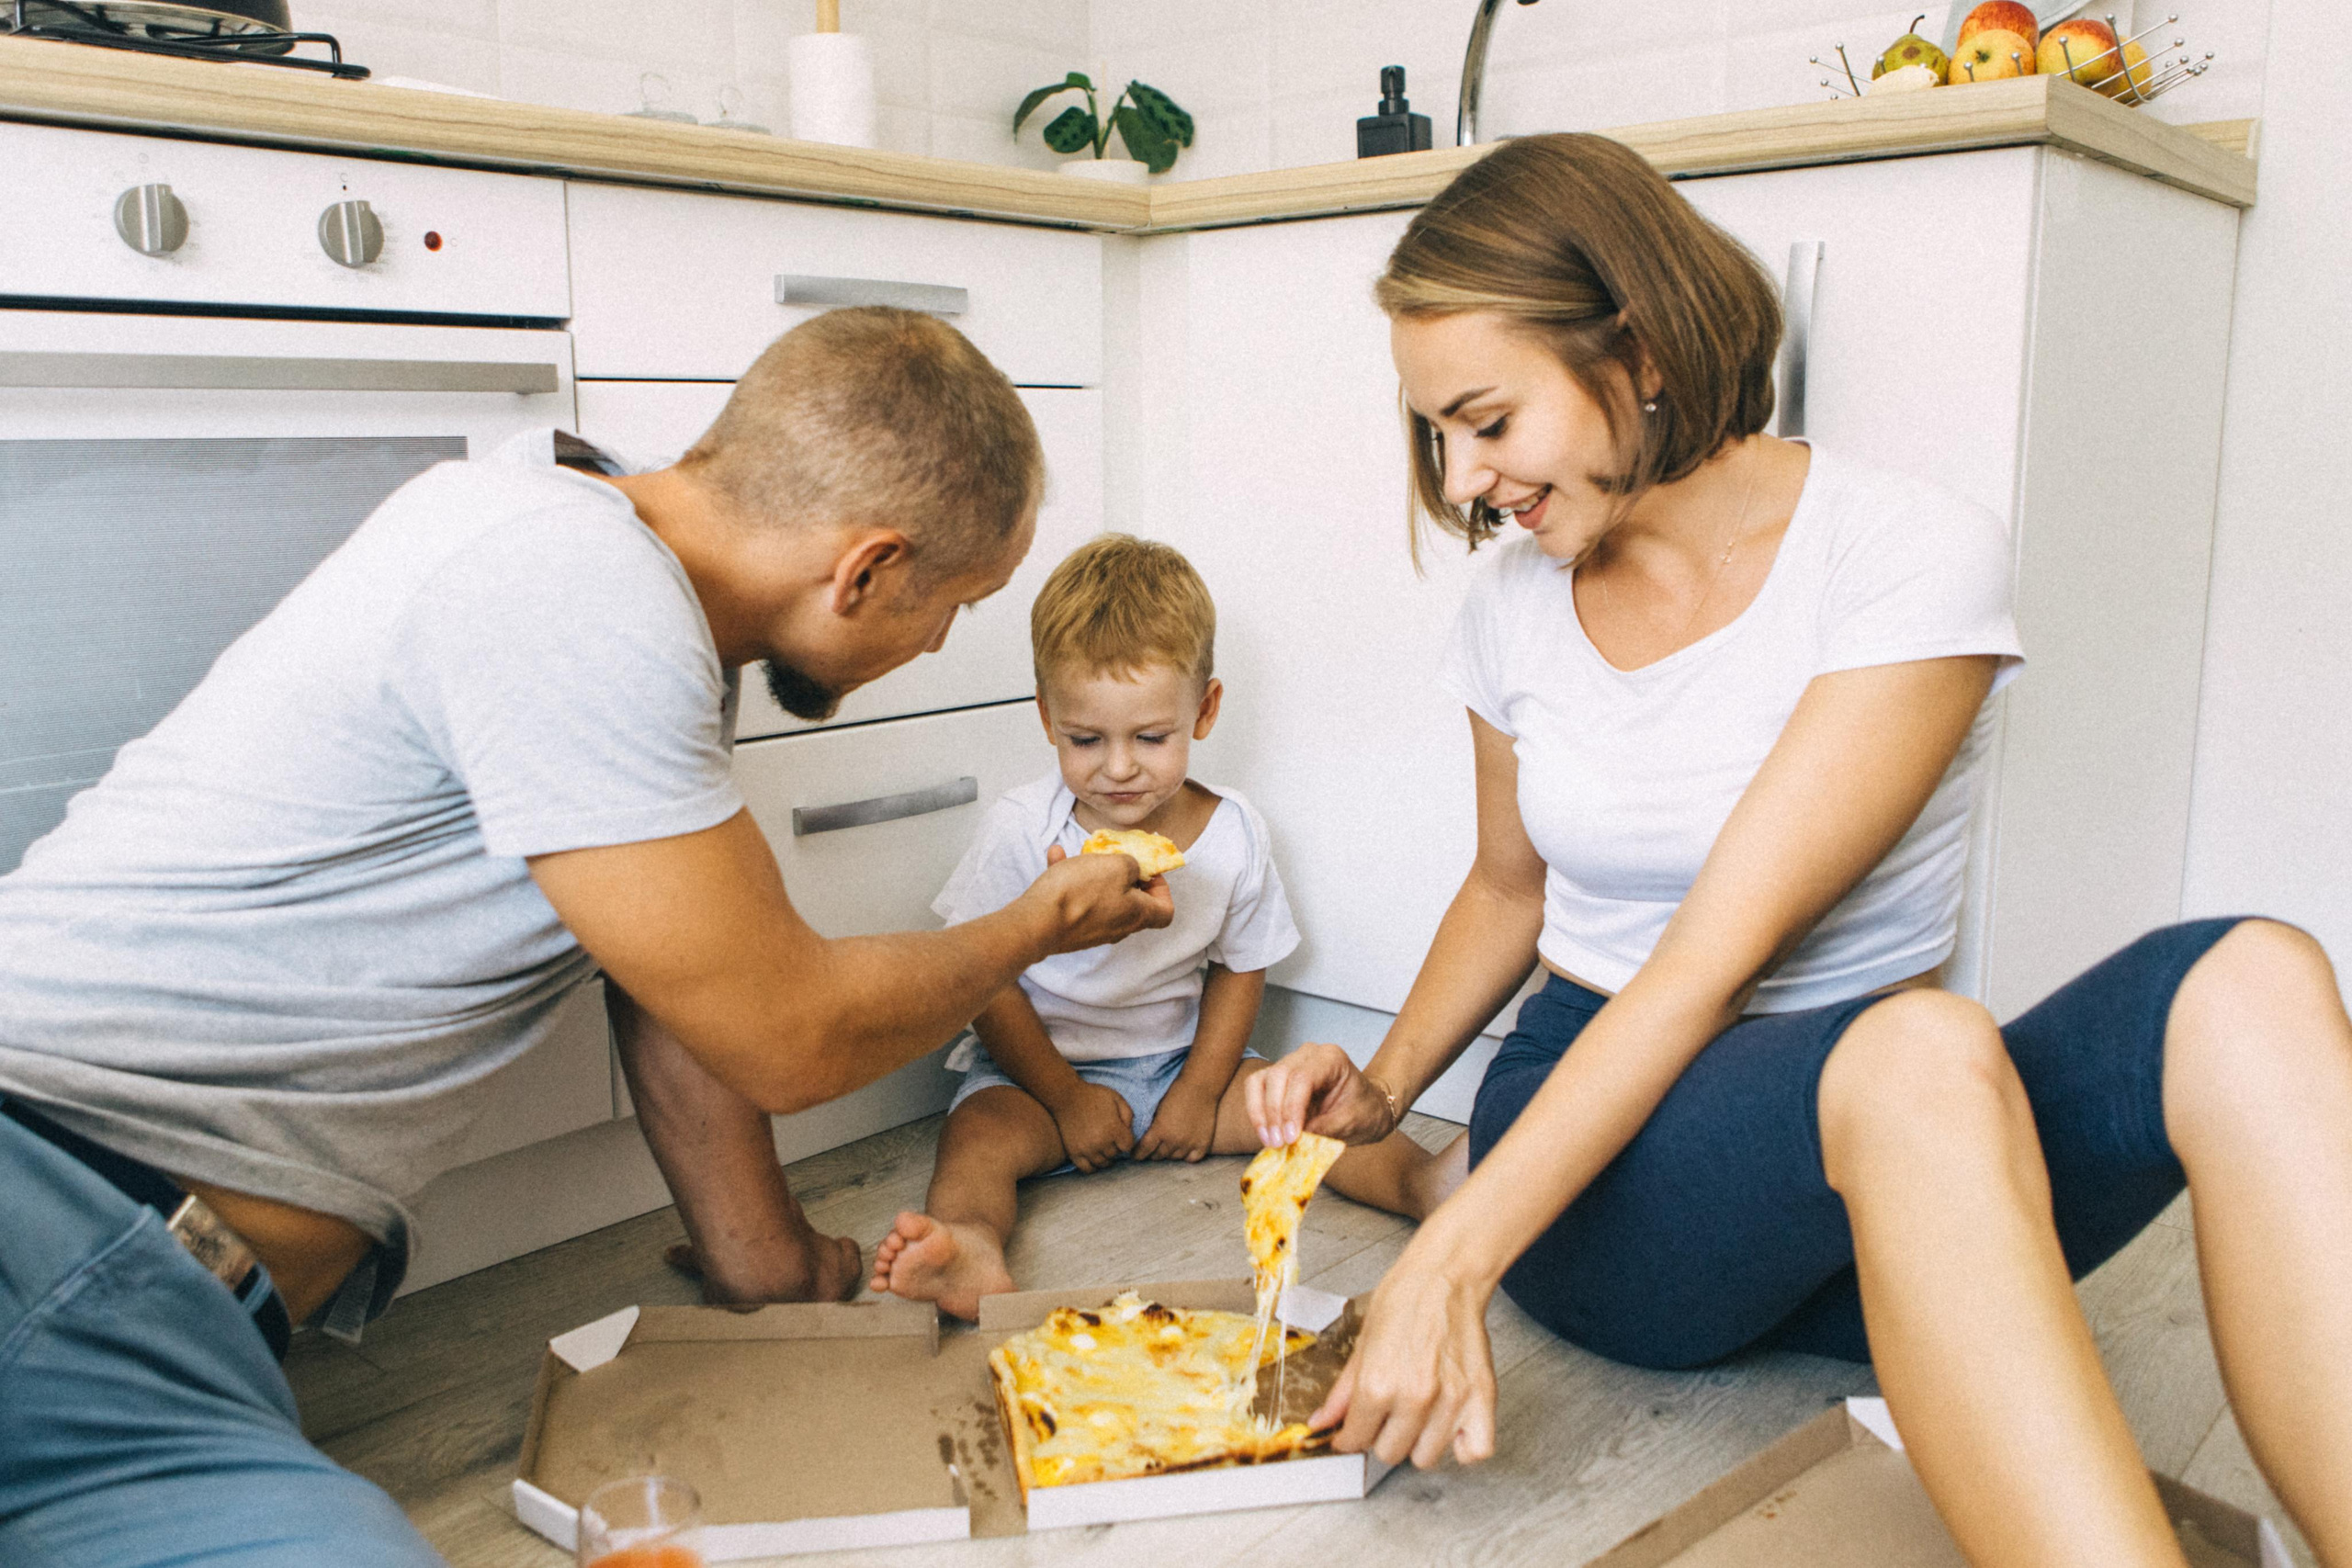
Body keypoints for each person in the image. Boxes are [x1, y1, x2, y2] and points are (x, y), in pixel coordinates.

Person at [1244, 134, 2352, 1565]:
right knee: (1919, 1051)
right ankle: (1443, 1176)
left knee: (2255, 976)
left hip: (1897, 1147)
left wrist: (1444, 1260)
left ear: (1639, 349)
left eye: (1487, 420)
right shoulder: (1512, 607)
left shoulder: (1904, 553)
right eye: (1436, 435)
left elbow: (1719, 958)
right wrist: (1386, 1090)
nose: (1462, 478)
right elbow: (1511, 884)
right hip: (1613, 1166)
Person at [0, 307, 1171, 1568]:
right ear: (867, 570)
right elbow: (791, 1029)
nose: (936, 641)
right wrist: (1038, 920)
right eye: (952, 605)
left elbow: (682, 975)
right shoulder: (579, 591)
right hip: (51, 1202)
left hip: (136, 1312)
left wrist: (768, 1264)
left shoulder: (603, 562)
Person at [872, 534, 1442, 1319]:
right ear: (1046, 718)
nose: (1118, 767)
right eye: (1085, 739)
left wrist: (1201, 1093)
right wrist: (1066, 1099)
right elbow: (986, 981)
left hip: (1180, 1063)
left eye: (1149, 737)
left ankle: (1428, 1183)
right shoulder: (1021, 827)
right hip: (1038, 1075)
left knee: (1298, 1116)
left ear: (1202, 711)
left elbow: (1240, 968)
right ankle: (968, 1242)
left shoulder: (1234, 830)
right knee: (977, 1137)